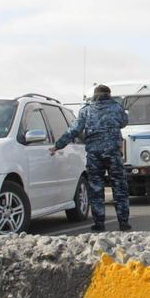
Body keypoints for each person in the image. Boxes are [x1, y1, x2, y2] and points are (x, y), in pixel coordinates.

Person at [49, 84, 131, 232]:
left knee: (96, 189)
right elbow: (124, 122)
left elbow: (73, 130)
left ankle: (99, 224)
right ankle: (123, 223)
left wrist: (57, 146)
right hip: (113, 154)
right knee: (119, 188)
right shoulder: (117, 108)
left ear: (95, 95)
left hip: (94, 155)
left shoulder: (86, 110)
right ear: (109, 94)